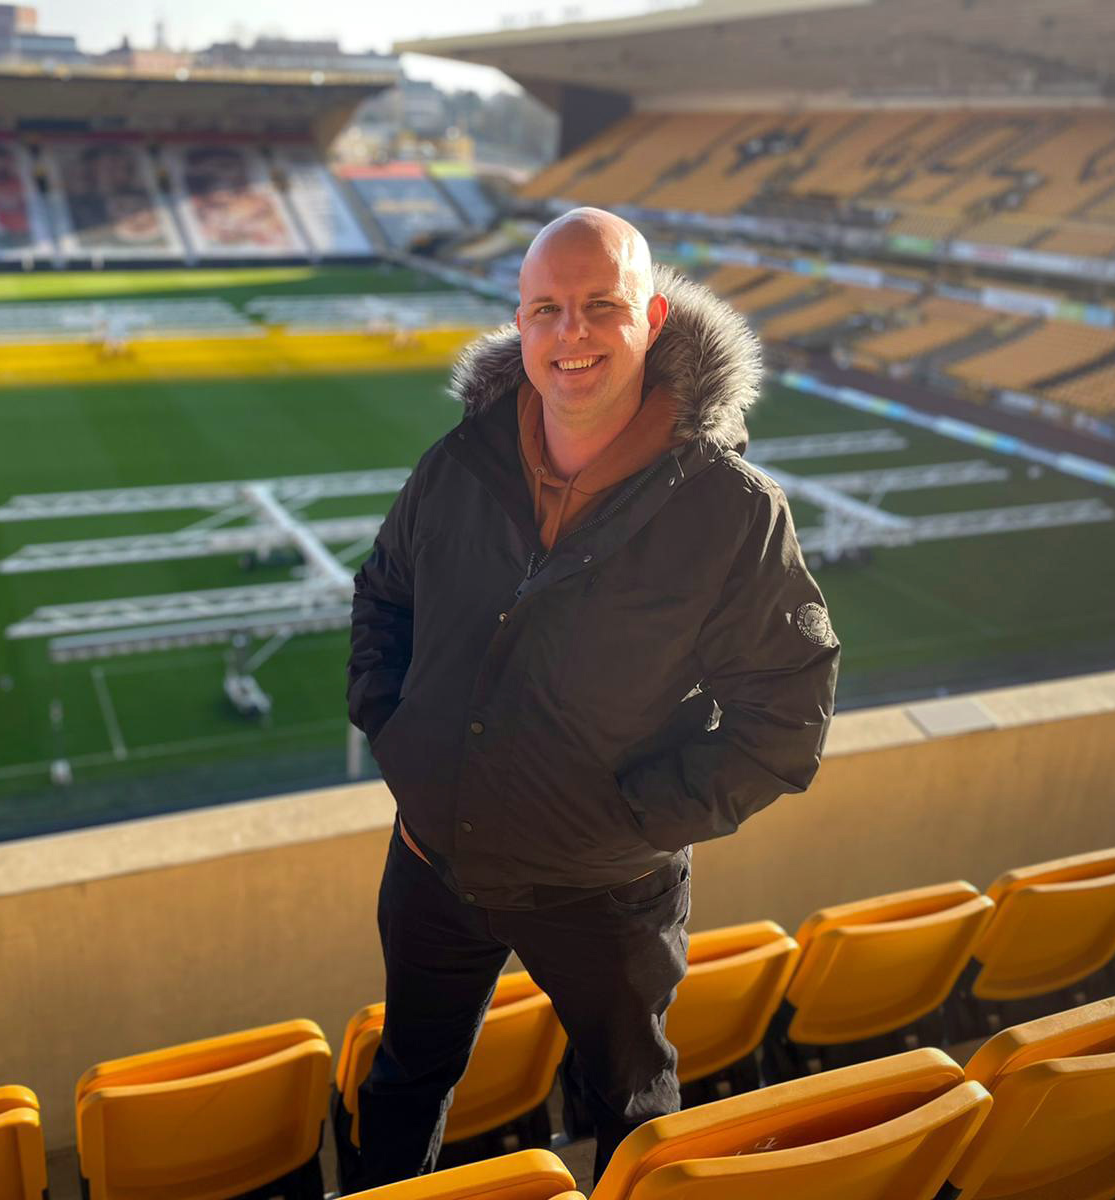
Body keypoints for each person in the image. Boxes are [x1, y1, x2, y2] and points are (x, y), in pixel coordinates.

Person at [345, 208, 840, 1186]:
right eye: (546, 309)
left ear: (651, 318)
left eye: (600, 306)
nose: (570, 332)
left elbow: (786, 716)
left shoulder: (732, 510)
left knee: (631, 1106)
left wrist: (631, 821)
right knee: (405, 1080)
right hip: (433, 861)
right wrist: (393, 728)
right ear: (519, 323)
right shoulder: (461, 461)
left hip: (602, 891)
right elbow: (384, 592)